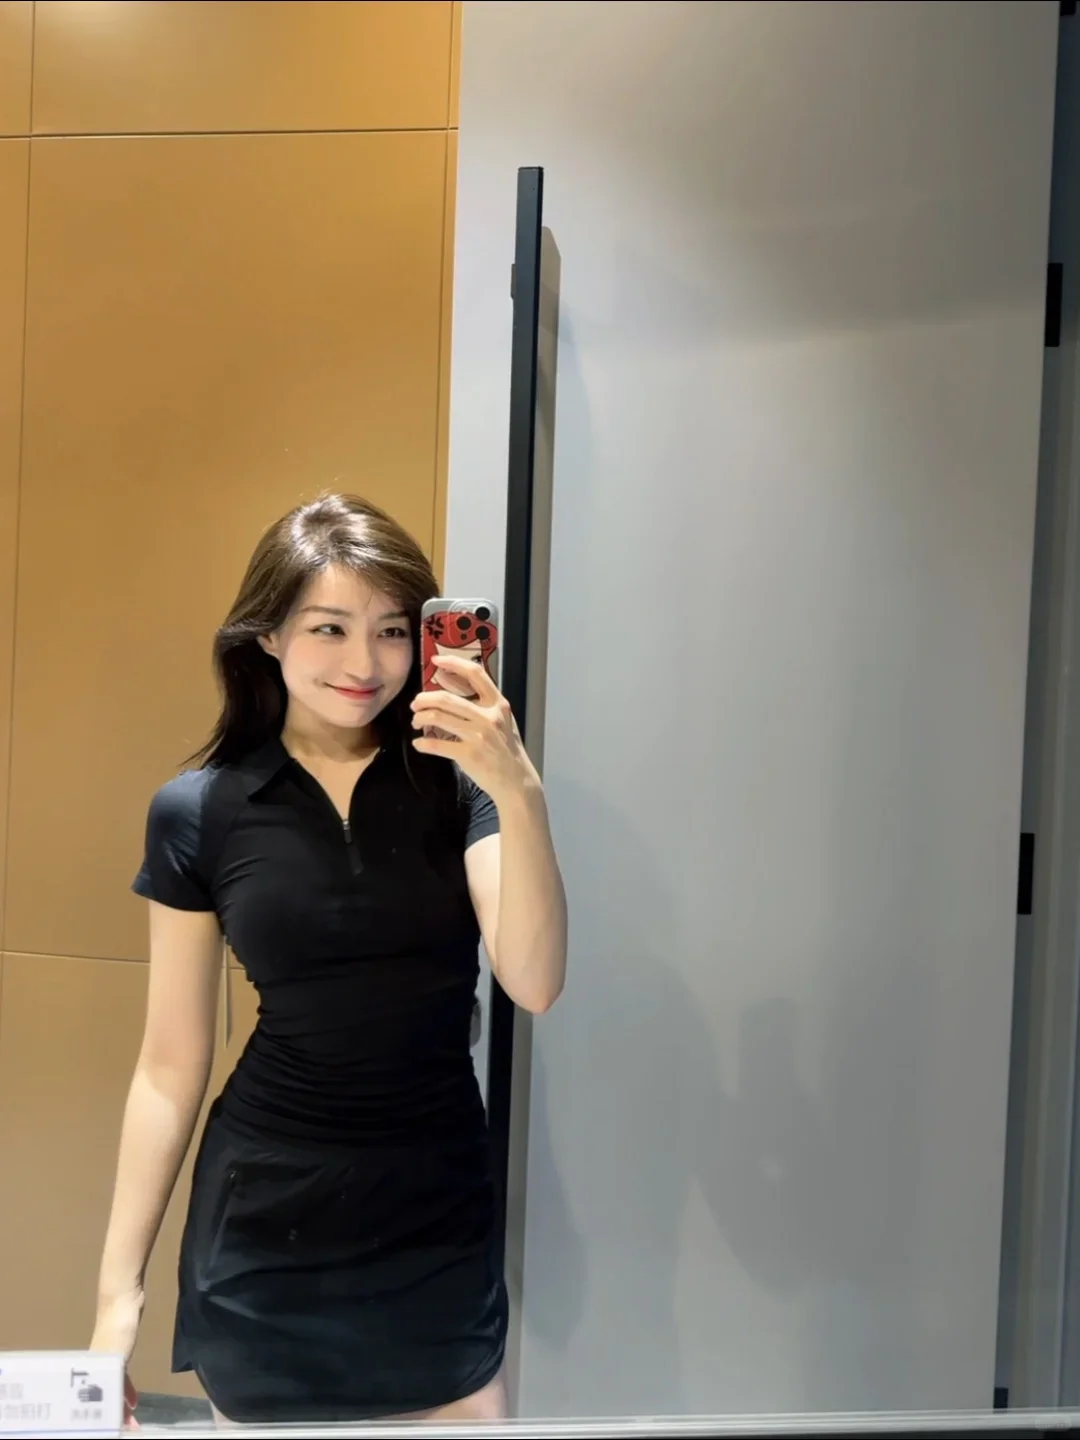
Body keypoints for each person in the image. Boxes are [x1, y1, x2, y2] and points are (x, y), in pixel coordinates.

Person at [89, 492, 568, 1427]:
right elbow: (169, 1064)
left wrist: (520, 790)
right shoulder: (199, 811)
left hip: (434, 1212)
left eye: (392, 630)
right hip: (263, 1220)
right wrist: (118, 1299)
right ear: (267, 635)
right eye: (329, 628)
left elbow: (535, 981)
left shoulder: (459, 788)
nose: (364, 664)